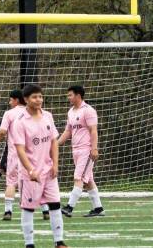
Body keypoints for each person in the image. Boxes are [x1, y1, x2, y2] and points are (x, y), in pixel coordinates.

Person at [10, 84, 68, 248]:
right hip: (30, 174)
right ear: (26, 100)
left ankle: (59, 242)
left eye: (41, 97)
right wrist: (30, 170)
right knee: (28, 208)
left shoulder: (47, 116)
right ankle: (29, 244)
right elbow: (20, 150)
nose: (39, 100)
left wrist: (55, 164)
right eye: (35, 97)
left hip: (48, 171)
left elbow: (54, 142)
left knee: (55, 204)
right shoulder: (20, 122)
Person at [58, 84, 103, 218]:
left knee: (78, 177)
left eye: (70, 95)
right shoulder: (71, 111)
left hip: (86, 150)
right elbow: (68, 131)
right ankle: (98, 209)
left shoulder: (88, 110)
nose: (68, 97)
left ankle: (69, 207)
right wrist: (56, 144)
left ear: (78, 95)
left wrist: (94, 148)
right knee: (88, 180)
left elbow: (93, 131)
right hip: (75, 150)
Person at [0, 89, 27, 221]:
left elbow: (2, 132)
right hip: (31, 154)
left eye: (10, 100)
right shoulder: (32, 112)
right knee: (32, 181)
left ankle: (8, 211)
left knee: (11, 182)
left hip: (15, 153)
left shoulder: (9, 114)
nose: (10, 102)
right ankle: (45, 210)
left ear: (16, 100)